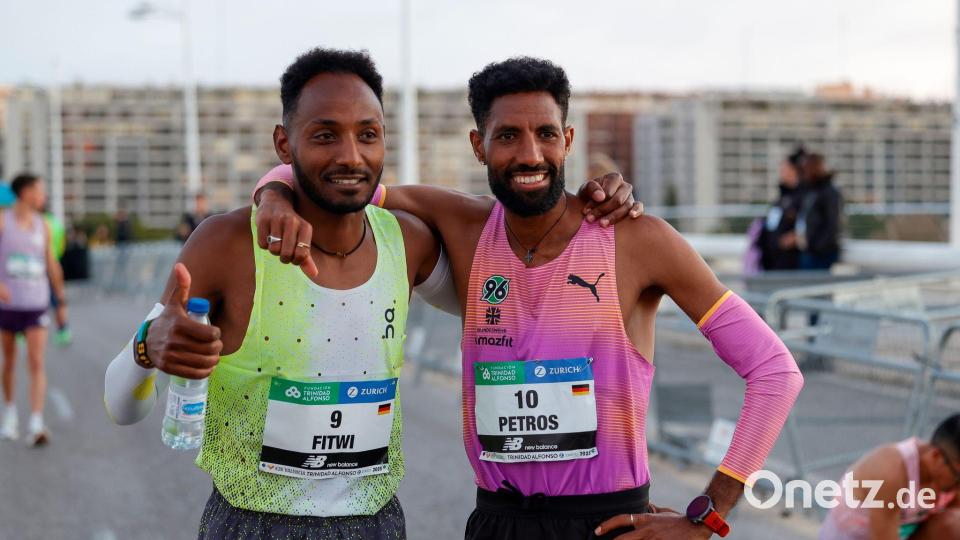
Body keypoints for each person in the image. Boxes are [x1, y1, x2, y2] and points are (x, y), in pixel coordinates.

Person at [255, 56, 804, 540]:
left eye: (545, 133)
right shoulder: (464, 225)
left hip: (610, 521)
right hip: (498, 521)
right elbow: (341, 178)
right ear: (479, 145)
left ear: (567, 140)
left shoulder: (638, 240)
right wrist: (275, 194)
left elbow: (775, 371)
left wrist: (708, 515)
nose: (530, 153)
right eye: (508, 136)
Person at [103, 48, 637, 539]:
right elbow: (119, 408)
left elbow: (508, 316)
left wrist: (588, 214)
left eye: (368, 134)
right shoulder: (225, 243)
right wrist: (148, 346)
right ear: (284, 144)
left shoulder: (408, 241)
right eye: (324, 135)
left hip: (377, 523)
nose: (350, 156)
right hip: (251, 521)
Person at [0, 173, 67, 445]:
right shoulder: (3, 220)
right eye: (39, 191)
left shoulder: (44, 225)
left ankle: (37, 422)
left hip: (36, 303)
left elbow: (51, 263)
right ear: (25, 192)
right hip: (7, 305)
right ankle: (10, 414)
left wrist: (60, 301)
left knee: (37, 361)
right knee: (10, 361)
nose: (43, 196)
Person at [820, 414, 960, 540]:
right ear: (936, 456)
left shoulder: (950, 475)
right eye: (958, 477)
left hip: (896, 533)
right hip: (857, 535)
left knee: (954, 525)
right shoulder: (891, 471)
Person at [759, 147, 806, 271]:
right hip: (772, 260)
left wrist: (796, 237)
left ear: (794, 170)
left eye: (784, 169)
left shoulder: (804, 196)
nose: (781, 172)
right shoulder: (783, 196)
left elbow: (812, 222)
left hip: (790, 261)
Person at [796, 153, 842, 270]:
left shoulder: (829, 192)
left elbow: (832, 223)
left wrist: (816, 246)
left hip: (821, 253)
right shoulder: (811, 190)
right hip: (810, 250)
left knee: (815, 286)